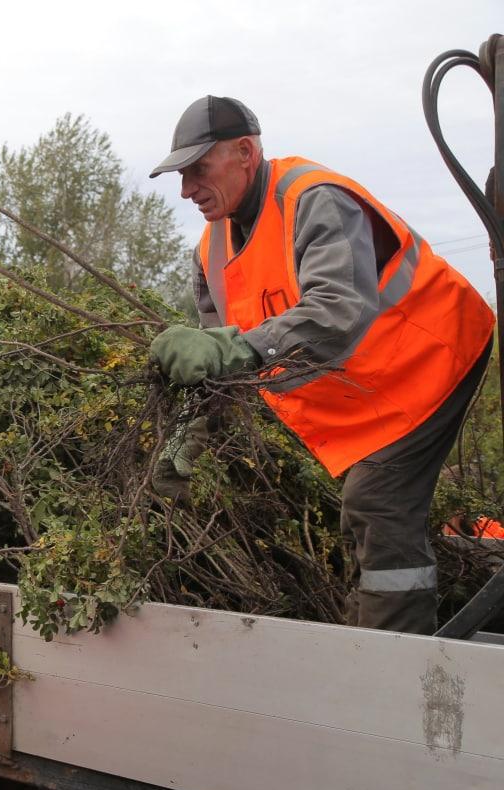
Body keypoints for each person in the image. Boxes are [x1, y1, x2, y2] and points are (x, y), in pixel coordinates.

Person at [147, 95, 495, 635]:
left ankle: (395, 669)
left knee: (377, 503)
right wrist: (188, 437)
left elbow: (337, 308)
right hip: (367, 389)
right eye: (182, 174)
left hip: (431, 357)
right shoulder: (210, 253)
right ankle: (367, 639)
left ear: (245, 152)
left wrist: (234, 348)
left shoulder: (314, 199)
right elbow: (226, 367)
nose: (187, 189)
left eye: (198, 170)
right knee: (365, 514)